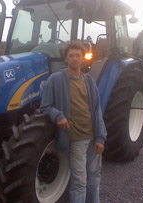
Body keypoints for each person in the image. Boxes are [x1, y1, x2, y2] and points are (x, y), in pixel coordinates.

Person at [40, 40, 107, 203]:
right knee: (79, 182)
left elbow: (97, 111)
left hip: (93, 138)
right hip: (76, 139)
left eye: (78, 55)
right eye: (71, 56)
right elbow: (45, 106)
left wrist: (100, 137)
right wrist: (58, 115)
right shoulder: (55, 80)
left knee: (94, 176)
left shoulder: (90, 82)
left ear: (83, 58)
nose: (75, 59)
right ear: (66, 59)